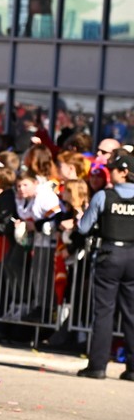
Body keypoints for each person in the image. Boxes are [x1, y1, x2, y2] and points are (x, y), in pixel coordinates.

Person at [75, 151, 134, 380]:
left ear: (124, 172)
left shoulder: (104, 196)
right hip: (133, 255)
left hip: (110, 254)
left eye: (114, 171)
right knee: (131, 313)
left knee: (104, 312)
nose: (111, 175)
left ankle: (97, 366)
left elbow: (83, 227)